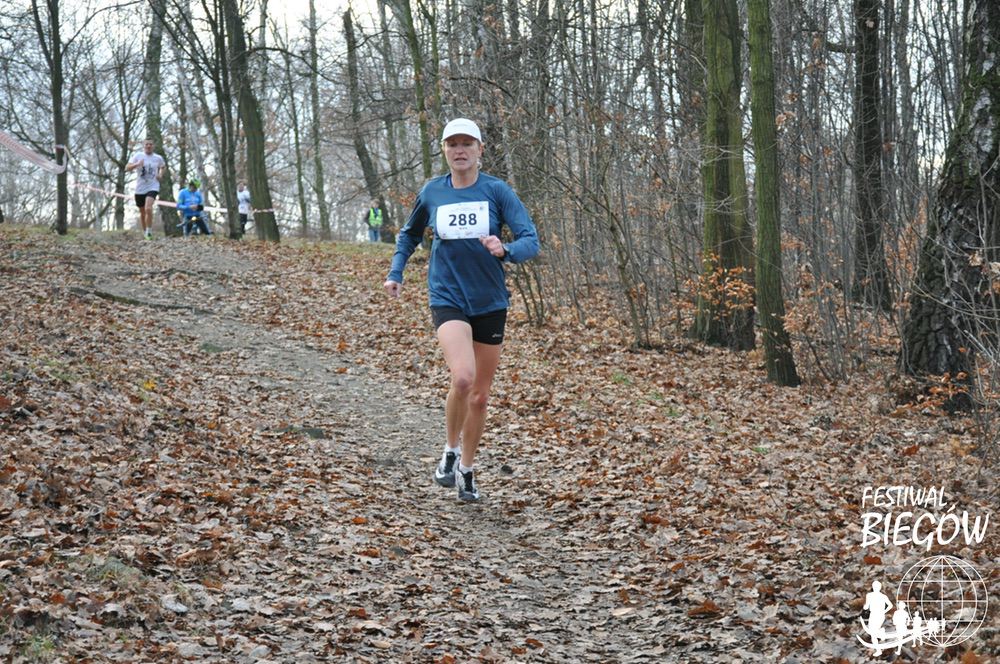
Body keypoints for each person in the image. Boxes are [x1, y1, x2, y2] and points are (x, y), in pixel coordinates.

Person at [384, 118, 539, 502]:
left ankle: (467, 471)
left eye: (467, 143)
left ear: (480, 149)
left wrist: (506, 250)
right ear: (444, 150)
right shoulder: (433, 192)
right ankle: (450, 451)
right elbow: (409, 234)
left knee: (480, 397)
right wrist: (396, 272)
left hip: (489, 300)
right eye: (452, 144)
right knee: (464, 378)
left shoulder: (497, 191)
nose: (460, 150)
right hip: (447, 295)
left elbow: (530, 240)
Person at [125, 138, 166, 240]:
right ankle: (145, 233)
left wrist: (160, 174)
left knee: (148, 208)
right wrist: (137, 164)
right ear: (143, 146)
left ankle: (149, 231)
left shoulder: (158, 158)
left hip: (153, 186)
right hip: (140, 188)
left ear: (153, 146)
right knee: (143, 212)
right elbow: (127, 168)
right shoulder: (138, 156)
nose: (148, 146)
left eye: (150, 144)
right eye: (147, 144)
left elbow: (163, 166)